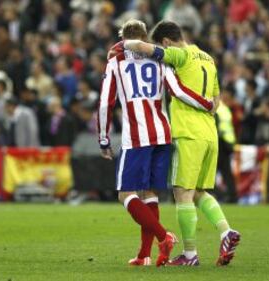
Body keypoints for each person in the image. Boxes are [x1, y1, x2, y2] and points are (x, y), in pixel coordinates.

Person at [123, 20, 241, 266]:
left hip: (187, 133)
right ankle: (226, 232)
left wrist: (125, 43)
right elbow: (217, 100)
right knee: (198, 192)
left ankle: (189, 255)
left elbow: (144, 50)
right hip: (210, 134)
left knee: (182, 193)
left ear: (166, 42)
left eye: (160, 45)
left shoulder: (180, 55)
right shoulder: (208, 58)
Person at [98, 20, 213, 267]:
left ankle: (164, 236)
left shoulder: (116, 62)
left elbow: (105, 103)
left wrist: (104, 138)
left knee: (125, 194)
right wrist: (207, 104)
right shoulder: (160, 62)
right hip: (163, 135)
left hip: (137, 137)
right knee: (150, 194)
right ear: (144, 38)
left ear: (123, 38)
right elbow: (179, 91)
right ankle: (145, 255)